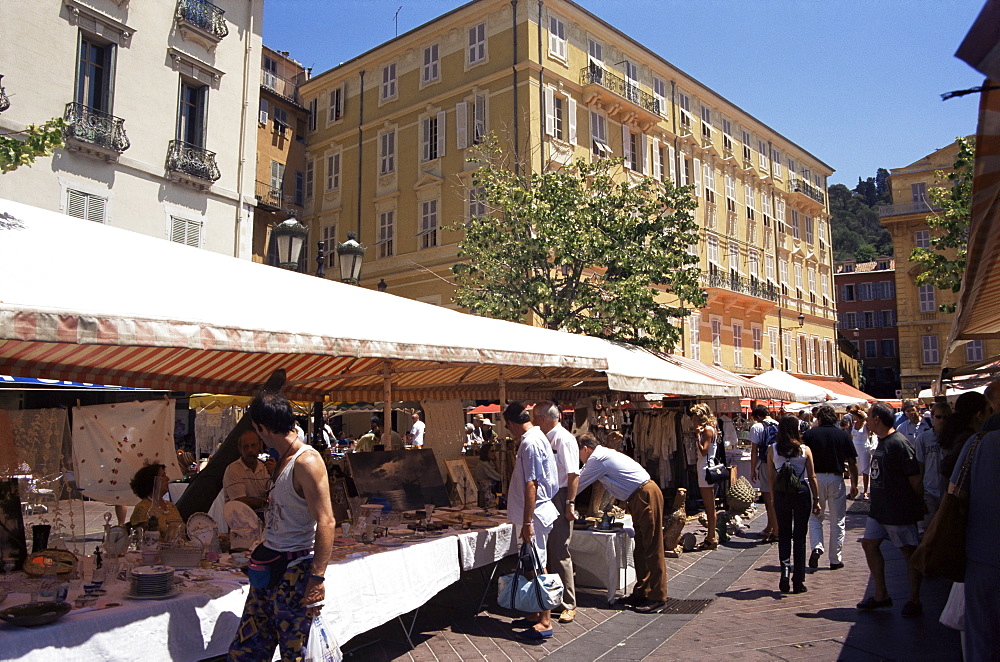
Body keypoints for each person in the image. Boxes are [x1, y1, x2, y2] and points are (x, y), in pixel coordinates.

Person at [229, 391, 335, 660]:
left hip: (295, 573)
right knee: (246, 650)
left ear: (263, 428)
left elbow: (327, 521)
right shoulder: (280, 460)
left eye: (257, 430)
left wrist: (317, 579)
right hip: (269, 567)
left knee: (294, 654)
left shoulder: (306, 461)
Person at [576, 432, 667, 614]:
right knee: (641, 547)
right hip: (638, 496)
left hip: (644, 495)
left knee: (651, 546)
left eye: (577, 453)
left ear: (585, 449)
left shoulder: (597, 459)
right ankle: (642, 591)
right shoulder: (602, 455)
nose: (578, 458)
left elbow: (578, 483)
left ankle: (658, 596)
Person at [856, 402, 925, 617]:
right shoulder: (883, 441)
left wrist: (917, 506)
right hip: (879, 509)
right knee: (869, 544)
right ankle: (881, 594)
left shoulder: (899, 443)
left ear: (877, 419)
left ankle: (914, 599)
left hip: (898, 509)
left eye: (868, 416)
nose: (866, 419)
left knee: (909, 552)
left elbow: (915, 479)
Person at [502, 401, 559, 641]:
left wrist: (527, 523)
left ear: (512, 424)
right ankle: (536, 611)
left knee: (538, 565)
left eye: (507, 427)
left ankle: (545, 618)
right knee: (531, 563)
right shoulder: (536, 438)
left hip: (534, 515)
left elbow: (532, 483)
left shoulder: (530, 442)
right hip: (532, 513)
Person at [948, 427, 999, 659]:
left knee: (981, 639)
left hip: (984, 553)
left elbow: (955, 492)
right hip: (984, 553)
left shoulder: (981, 442)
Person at [532, 401, 580, 624]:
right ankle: (548, 598)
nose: (532, 422)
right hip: (546, 496)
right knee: (545, 550)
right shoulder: (543, 438)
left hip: (559, 496)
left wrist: (570, 503)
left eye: (534, 417)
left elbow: (573, 474)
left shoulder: (563, 438)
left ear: (543, 418)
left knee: (560, 550)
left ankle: (568, 604)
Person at [767, 416, 822, 593]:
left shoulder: (773, 449)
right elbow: (812, 476)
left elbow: (771, 476)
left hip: (782, 493)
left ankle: (784, 570)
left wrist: (773, 497)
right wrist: (817, 499)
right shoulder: (804, 449)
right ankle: (798, 580)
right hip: (801, 493)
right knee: (799, 536)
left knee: (784, 534)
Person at [804, 405, 858, 571]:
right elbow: (852, 461)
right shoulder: (842, 435)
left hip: (815, 478)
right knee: (838, 520)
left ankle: (817, 547)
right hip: (836, 478)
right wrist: (855, 483)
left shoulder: (809, 435)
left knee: (815, 517)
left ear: (819, 418)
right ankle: (835, 559)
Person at [938, 391, 992, 483]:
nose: (991, 414)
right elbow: (948, 467)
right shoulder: (968, 438)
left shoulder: (955, 432)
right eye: (989, 410)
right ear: (979, 415)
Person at [913, 402, 950, 531]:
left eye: (946, 417)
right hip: (929, 489)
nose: (942, 421)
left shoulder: (954, 438)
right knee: (927, 528)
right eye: (939, 417)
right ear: (933, 416)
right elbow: (920, 465)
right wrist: (919, 494)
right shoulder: (923, 438)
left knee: (945, 528)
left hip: (947, 490)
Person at [688, 403, 719, 550]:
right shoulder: (712, 429)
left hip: (705, 468)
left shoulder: (707, 430)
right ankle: (711, 535)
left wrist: (697, 435)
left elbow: (703, 451)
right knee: (709, 504)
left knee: (709, 504)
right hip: (706, 466)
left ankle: (711, 536)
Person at [748, 405, 779, 543]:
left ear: (757, 416)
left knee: (768, 498)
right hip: (779, 464)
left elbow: (754, 451)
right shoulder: (778, 424)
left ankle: (775, 530)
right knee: (776, 497)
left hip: (766, 464)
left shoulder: (757, 427)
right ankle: (771, 526)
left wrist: (753, 469)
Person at [223, 429, 274, 512]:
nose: (250, 450)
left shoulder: (265, 468)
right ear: (240, 449)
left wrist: (275, 474)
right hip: (241, 522)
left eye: (253, 445)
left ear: (260, 446)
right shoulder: (233, 470)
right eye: (246, 446)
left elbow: (277, 495)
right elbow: (240, 502)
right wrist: (266, 502)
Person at [128, 463, 183, 535]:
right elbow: (145, 539)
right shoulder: (143, 508)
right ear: (152, 481)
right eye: (163, 476)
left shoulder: (170, 506)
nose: (167, 478)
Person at [851, 410, 875, 499]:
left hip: (864, 448)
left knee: (865, 470)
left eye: (855, 416)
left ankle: (865, 491)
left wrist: (865, 417)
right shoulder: (854, 423)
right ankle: (854, 488)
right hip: (855, 447)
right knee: (853, 468)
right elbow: (852, 436)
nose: (854, 418)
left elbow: (873, 428)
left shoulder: (866, 424)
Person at [474, 442, 503, 507]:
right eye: (492, 451)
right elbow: (499, 477)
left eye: (495, 451)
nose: (494, 453)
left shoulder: (488, 464)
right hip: (486, 493)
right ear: (486, 452)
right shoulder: (484, 465)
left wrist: (496, 463)